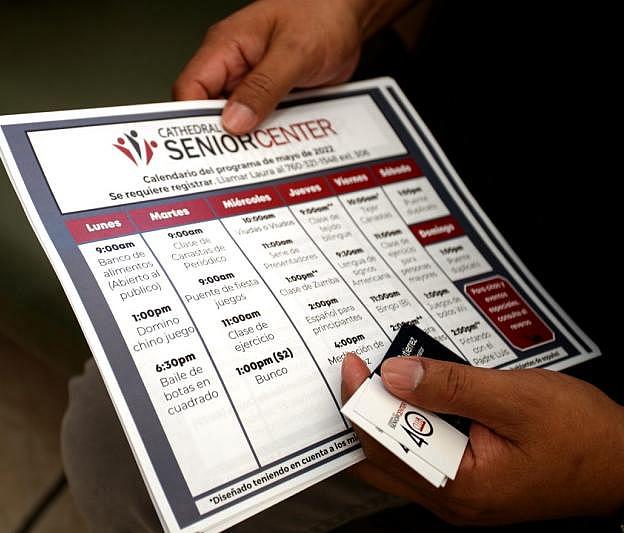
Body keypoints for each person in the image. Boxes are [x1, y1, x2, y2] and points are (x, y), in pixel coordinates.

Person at [62, 0, 623, 529]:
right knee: (126, 437)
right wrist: (347, 8)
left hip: (582, 354)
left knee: (129, 462)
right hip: (425, 136)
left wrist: (607, 466)